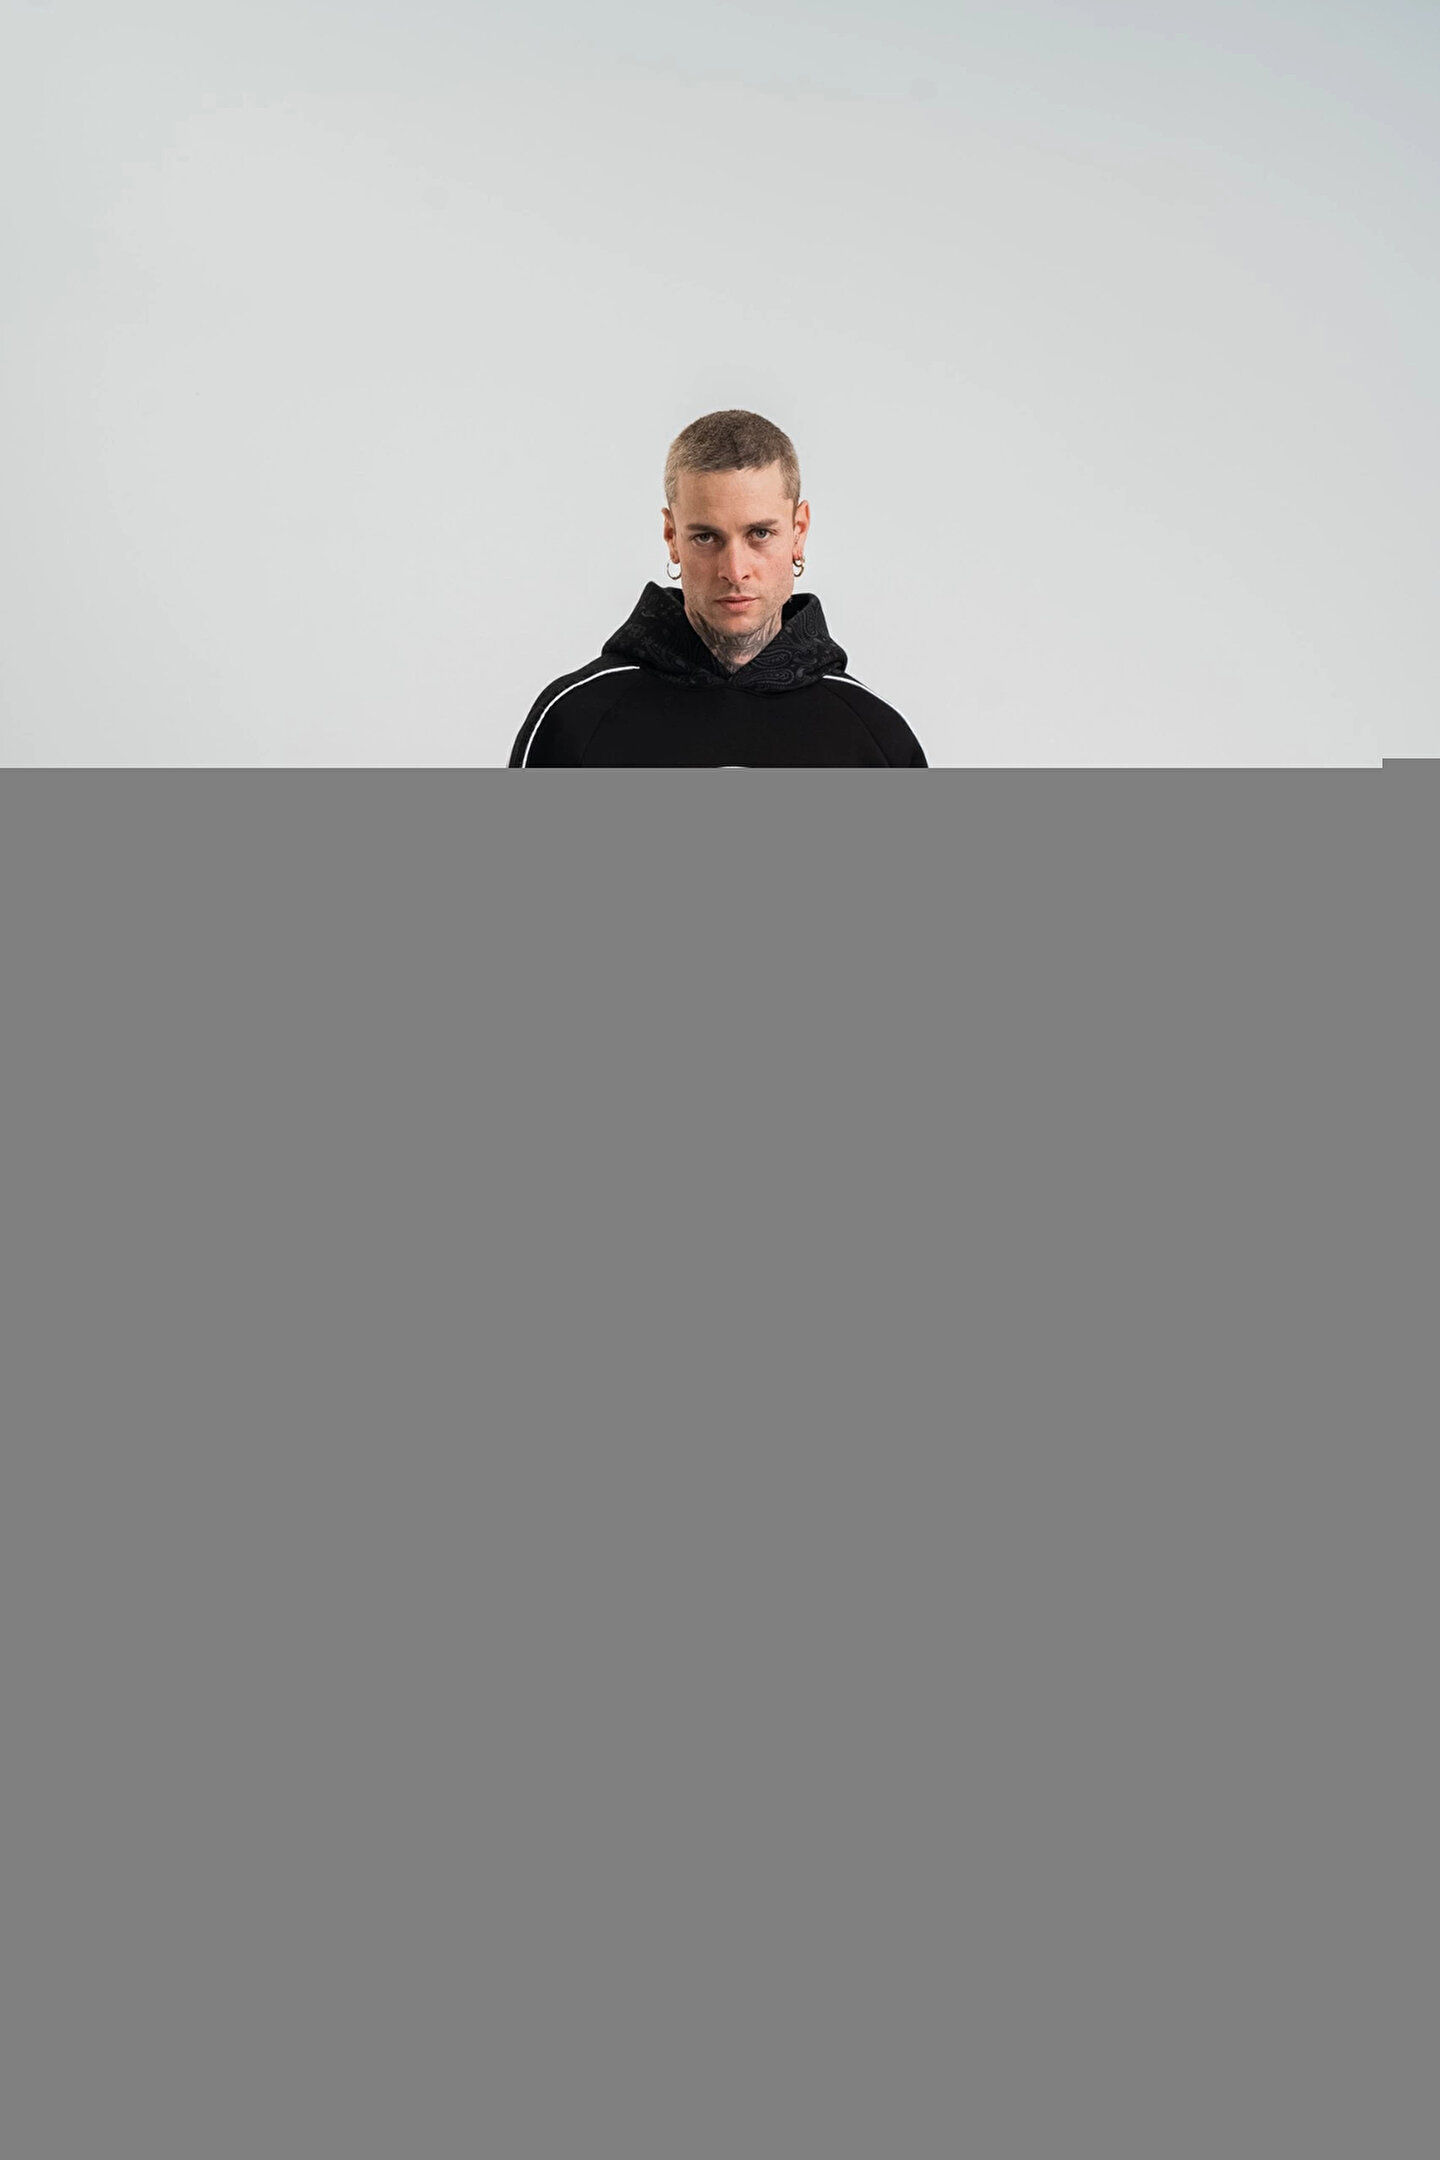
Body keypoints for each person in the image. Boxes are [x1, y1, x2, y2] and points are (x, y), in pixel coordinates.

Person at [508, 410, 928, 767]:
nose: (735, 570)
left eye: (760, 533)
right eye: (706, 537)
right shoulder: (573, 721)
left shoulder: (875, 736)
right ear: (672, 537)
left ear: (798, 532)